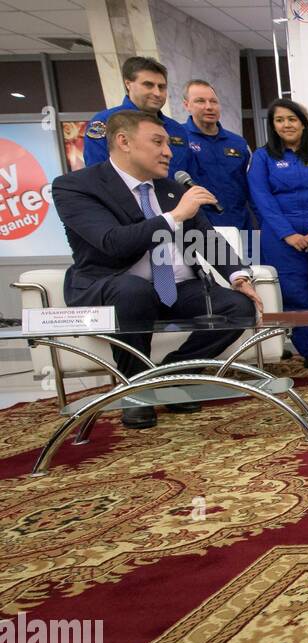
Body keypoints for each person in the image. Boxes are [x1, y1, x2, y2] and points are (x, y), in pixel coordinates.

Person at [52, 110, 260, 429]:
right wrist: (174, 216)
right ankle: (135, 390)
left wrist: (239, 276)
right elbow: (112, 242)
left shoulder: (169, 187)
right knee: (133, 289)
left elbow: (204, 237)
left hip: (175, 289)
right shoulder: (76, 187)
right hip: (114, 289)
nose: (168, 151)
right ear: (124, 142)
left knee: (238, 306)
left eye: (168, 143)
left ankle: (170, 375)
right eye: (158, 142)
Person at [248, 98, 308, 369]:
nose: (286, 125)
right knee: (296, 293)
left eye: (292, 119)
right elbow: (260, 198)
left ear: (303, 124)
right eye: (280, 120)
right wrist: (287, 233)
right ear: (273, 126)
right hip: (283, 237)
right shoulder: (262, 157)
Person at [84, 56, 194, 179]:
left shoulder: (177, 130)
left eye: (161, 87)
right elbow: (98, 174)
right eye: (148, 85)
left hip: (174, 198)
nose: (157, 93)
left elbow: (185, 174)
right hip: (125, 197)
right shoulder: (106, 122)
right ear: (128, 84)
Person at [182, 79, 253, 229]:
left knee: (251, 253)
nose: (209, 107)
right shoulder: (177, 139)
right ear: (186, 105)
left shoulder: (238, 143)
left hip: (242, 224)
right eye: (200, 101)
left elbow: (251, 187)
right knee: (220, 254)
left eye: (213, 101)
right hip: (201, 229)